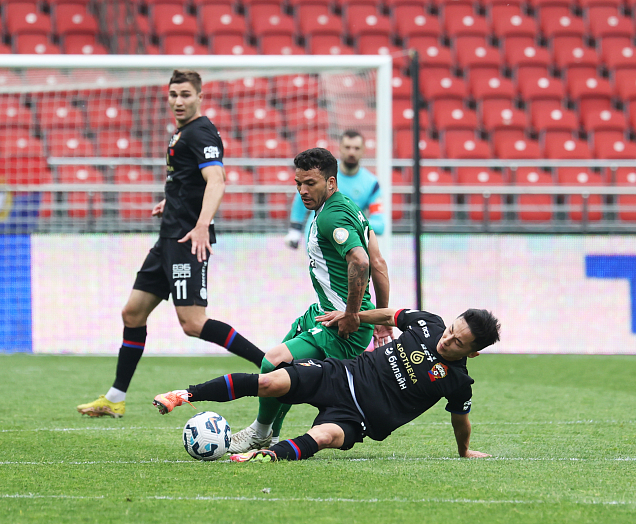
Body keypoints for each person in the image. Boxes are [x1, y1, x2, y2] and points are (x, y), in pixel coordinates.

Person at [77, 70, 265, 418]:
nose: (178, 101)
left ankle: (269, 365)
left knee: (193, 323)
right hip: (168, 238)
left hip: (186, 240)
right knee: (133, 313)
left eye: (185, 95)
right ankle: (115, 398)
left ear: (200, 97)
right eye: (174, 94)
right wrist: (173, 201)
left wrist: (202, 225)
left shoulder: (201, 132)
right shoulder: (182, 132)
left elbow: (216, 180)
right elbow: (191, 181)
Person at [152, 306, 501, 462]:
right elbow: (391, 315)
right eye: (451, 330)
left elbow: (460, 420)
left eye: (458, 342)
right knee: (271, 381)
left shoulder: (458, 382)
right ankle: (184, 394)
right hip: (341, 375)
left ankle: (266, 455)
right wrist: (353, 317)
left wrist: (463, 450)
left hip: (361, 418)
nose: (447, 339)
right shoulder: (428, 323)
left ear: (473, 353)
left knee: (323, 437)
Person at [223, 147, 392, 453]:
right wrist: (380, 318)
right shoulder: (350, 208)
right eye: (298, 183)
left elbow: (362, 262)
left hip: (340, 323)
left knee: (272, 362)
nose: (302, 190)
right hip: (323, 312)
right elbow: (379, 263)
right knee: (281, 368)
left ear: (331, 182)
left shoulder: (332, 217)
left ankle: (260, 432)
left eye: (310, 183)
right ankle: (270, 435)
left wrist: (352, 314)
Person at [284, 130, 385, 250]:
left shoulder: (371, 184)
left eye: (356, 148)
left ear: (363, 150)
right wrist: (295, 229)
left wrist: (350, 221)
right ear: (340, 148)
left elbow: (380, 225)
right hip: (318, 241)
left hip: (349, 246)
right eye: (347, 147)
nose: (351, 152)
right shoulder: (322, 174)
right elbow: (302, 196)